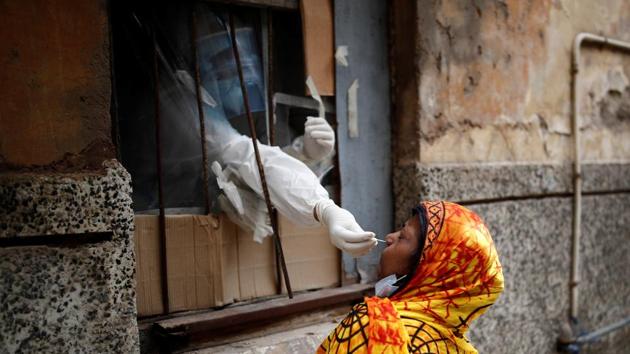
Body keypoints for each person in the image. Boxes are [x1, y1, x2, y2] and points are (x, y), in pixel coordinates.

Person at [317, 201, 504, 353]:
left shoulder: (373, 326)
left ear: (428, 269)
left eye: (403, 237)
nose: (389, 237)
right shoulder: (457, 348)